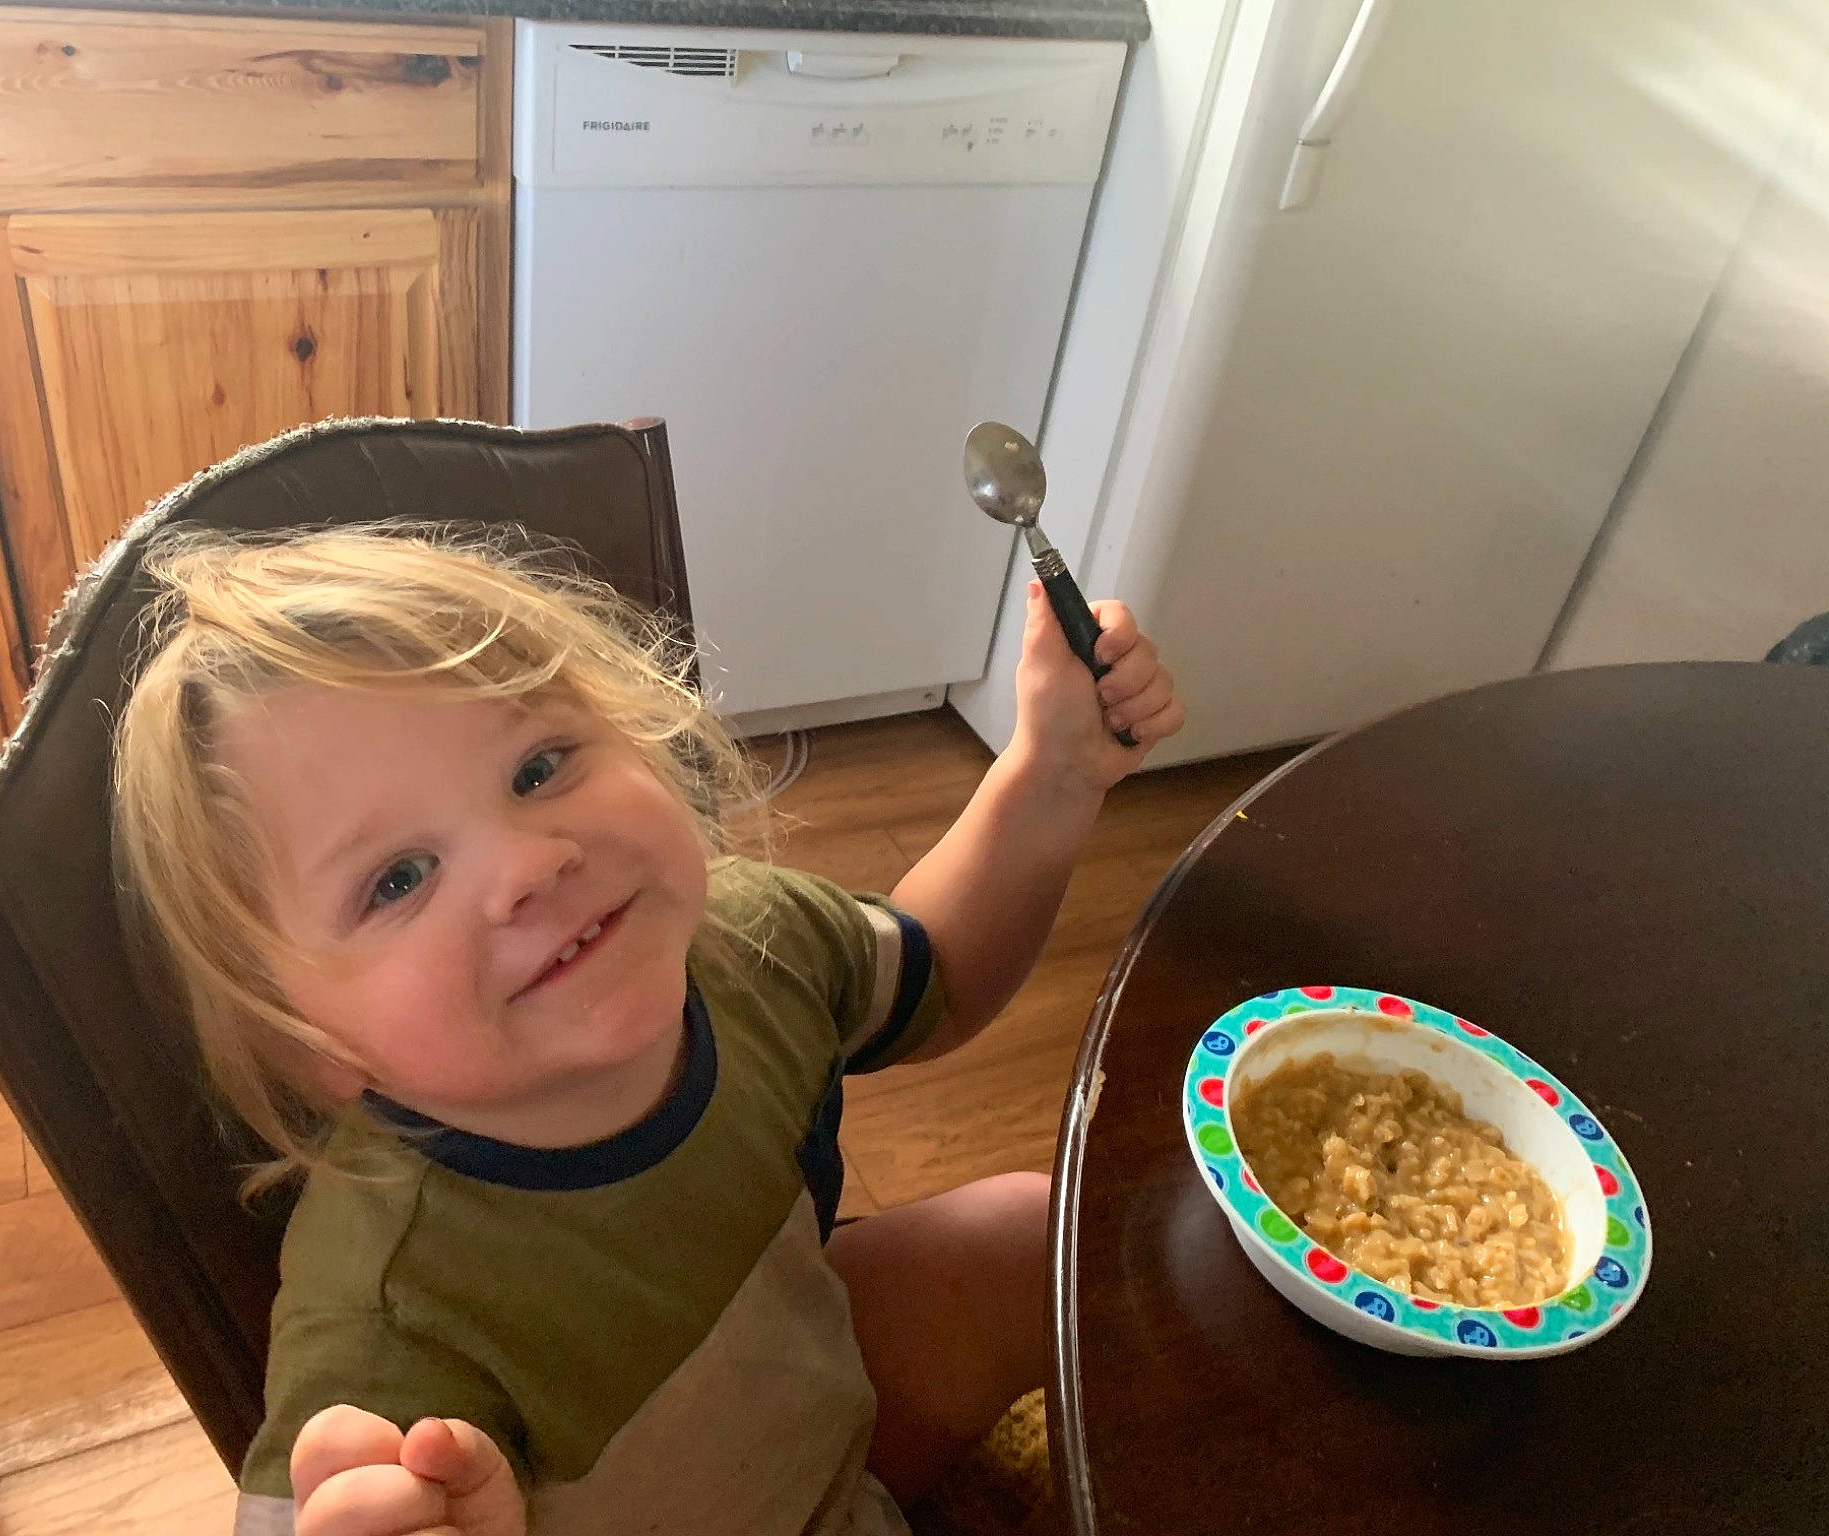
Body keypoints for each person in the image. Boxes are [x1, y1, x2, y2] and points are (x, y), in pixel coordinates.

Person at [108, 524, 1184, 1536]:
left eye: (539, 767)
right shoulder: (392, 1324)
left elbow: (933, 970)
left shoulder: (741, 939)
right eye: (396, 879)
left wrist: (1047, 775)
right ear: (312, 1046)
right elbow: (322, 1497)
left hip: (799, 1432)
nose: (529, 864)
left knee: (1026, 1233)